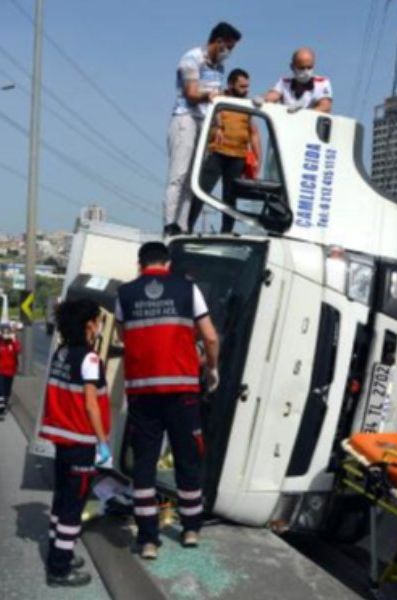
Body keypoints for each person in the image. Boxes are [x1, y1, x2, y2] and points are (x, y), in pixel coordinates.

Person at [115, 242, 219, 558]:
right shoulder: (188, 289)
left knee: (144, 464)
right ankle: (190, 529)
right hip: (182, 391)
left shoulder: (124, 294)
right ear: (168, 263)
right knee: (187, 459)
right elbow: (210, 337)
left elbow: (123, 337)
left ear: (140, 264)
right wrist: (211, 367)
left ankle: (148, 539)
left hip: (142, 393)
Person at [39, 298, 111, 587]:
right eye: (97, 320)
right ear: (88, 325)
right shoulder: (89, 359)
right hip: (81, 441)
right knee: (72, 506)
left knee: (62, 500)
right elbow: (91, 405)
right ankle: (59, 569)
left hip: (63, 439)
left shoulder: (62, 352)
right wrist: (103, 442)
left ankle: (60, 551)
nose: (99, 325)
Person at [163, 22, 242, 237]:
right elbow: (191, 93)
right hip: (186, 118)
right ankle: (169, 223)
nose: (229, 52)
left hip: (204, 122)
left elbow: (216, 100)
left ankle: (183, 226)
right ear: (219, 42)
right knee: (178, 175)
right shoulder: (192, 59)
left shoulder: (219, 68)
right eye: (229, 47)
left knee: (192, 179)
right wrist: (207, 95)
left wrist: (218, 124)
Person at [195, 68, 262, 233]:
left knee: (231, 198)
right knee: (202, 190)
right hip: (217, 153)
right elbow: (212, 112)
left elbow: (253, 132)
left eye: (247, 86)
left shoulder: (247, 105)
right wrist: (218, 126)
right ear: (231, 84)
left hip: (238, 157)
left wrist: (257, 159)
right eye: (242, 86)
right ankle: (187, 225)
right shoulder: (219, 99)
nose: (245, 90)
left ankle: (226, 231)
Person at [263, 47, 333, 113]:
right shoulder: (284, 82)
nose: (306, 72)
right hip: (286, 121)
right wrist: (262, 100)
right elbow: (272, 96)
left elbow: (325, 106)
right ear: (292, 67)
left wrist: (302, 114)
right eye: (302, 68)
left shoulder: (322, 82)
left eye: (309, 67)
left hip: (310, 121)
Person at [0, 322, 21, 421]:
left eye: (7, 332)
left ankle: (4, 404)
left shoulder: (13, 342)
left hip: (10, 371)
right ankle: (0, 411)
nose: (6, 335)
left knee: (7, 391)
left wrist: (14, 340)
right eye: (4, 332)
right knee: (0, 391)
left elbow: (18, 350)